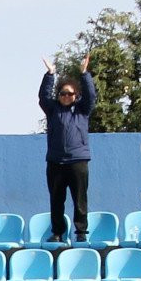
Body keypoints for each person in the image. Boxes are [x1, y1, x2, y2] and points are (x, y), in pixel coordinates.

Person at [39, 53, 96, 243]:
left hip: (78, 161)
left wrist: (84, 74)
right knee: (56, 200)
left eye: (70, 94)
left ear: (75, 95)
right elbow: (43, 97)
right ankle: (57, 232)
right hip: (56, 161)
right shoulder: (52, 109)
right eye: (63, 93)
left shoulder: (82, 110)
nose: (66, 96)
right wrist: (50, 74)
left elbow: (91, 95)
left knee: (80, 199)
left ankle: (81, 232)